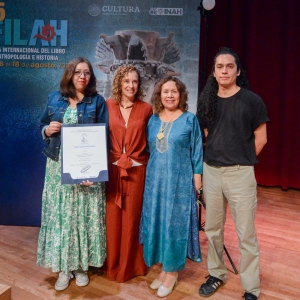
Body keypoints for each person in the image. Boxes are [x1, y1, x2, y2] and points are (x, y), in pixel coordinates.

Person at [197, 47, 269, 300]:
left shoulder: (252, 100)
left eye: (229, 66)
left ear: (238, 71)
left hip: (240, 174)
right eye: (220, 67)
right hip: (212, 172)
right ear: (214, 73)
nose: (224, 70)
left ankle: (251, 287)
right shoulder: (207, 100)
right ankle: (217, 273)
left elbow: (261, 138)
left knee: (245, 233)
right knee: (213, 229)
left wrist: (241, 159)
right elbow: (207, 134)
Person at [37, 57, 108, 291]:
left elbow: (103, 137)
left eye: (87, 73)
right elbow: (42, 125)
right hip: (59, 169)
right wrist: (47, 129)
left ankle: (81, 267)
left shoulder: (97, 101)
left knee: (83, 217)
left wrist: (95, 172)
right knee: (63, 217)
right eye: (78, 72)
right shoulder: (54, 98)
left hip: (86, 171)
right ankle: (64, 268)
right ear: (70, 74)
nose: (82, 77)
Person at [141, 76, 203, 298]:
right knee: (159, 223)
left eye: (174, 92)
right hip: (156, 183)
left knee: (175, 226)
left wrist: (198, 177)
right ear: (159, 95)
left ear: (181, 95)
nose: (169, 95)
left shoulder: (189, 120)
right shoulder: (153, 120)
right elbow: (149, 149)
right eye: (165, 91)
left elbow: (197, 150)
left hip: (179, 182)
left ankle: (173, 272)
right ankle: (165, 268)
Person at [104, 64, 152, 282]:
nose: (131, 85)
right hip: (113, 171)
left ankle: (131, 265)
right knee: (112, 219)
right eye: (126, 81)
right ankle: (111, 264)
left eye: (134, 81)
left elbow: (152, 142)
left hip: (136, 172)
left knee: (132, 218)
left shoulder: (146, 109)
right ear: (119, 83)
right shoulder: (107, 106)